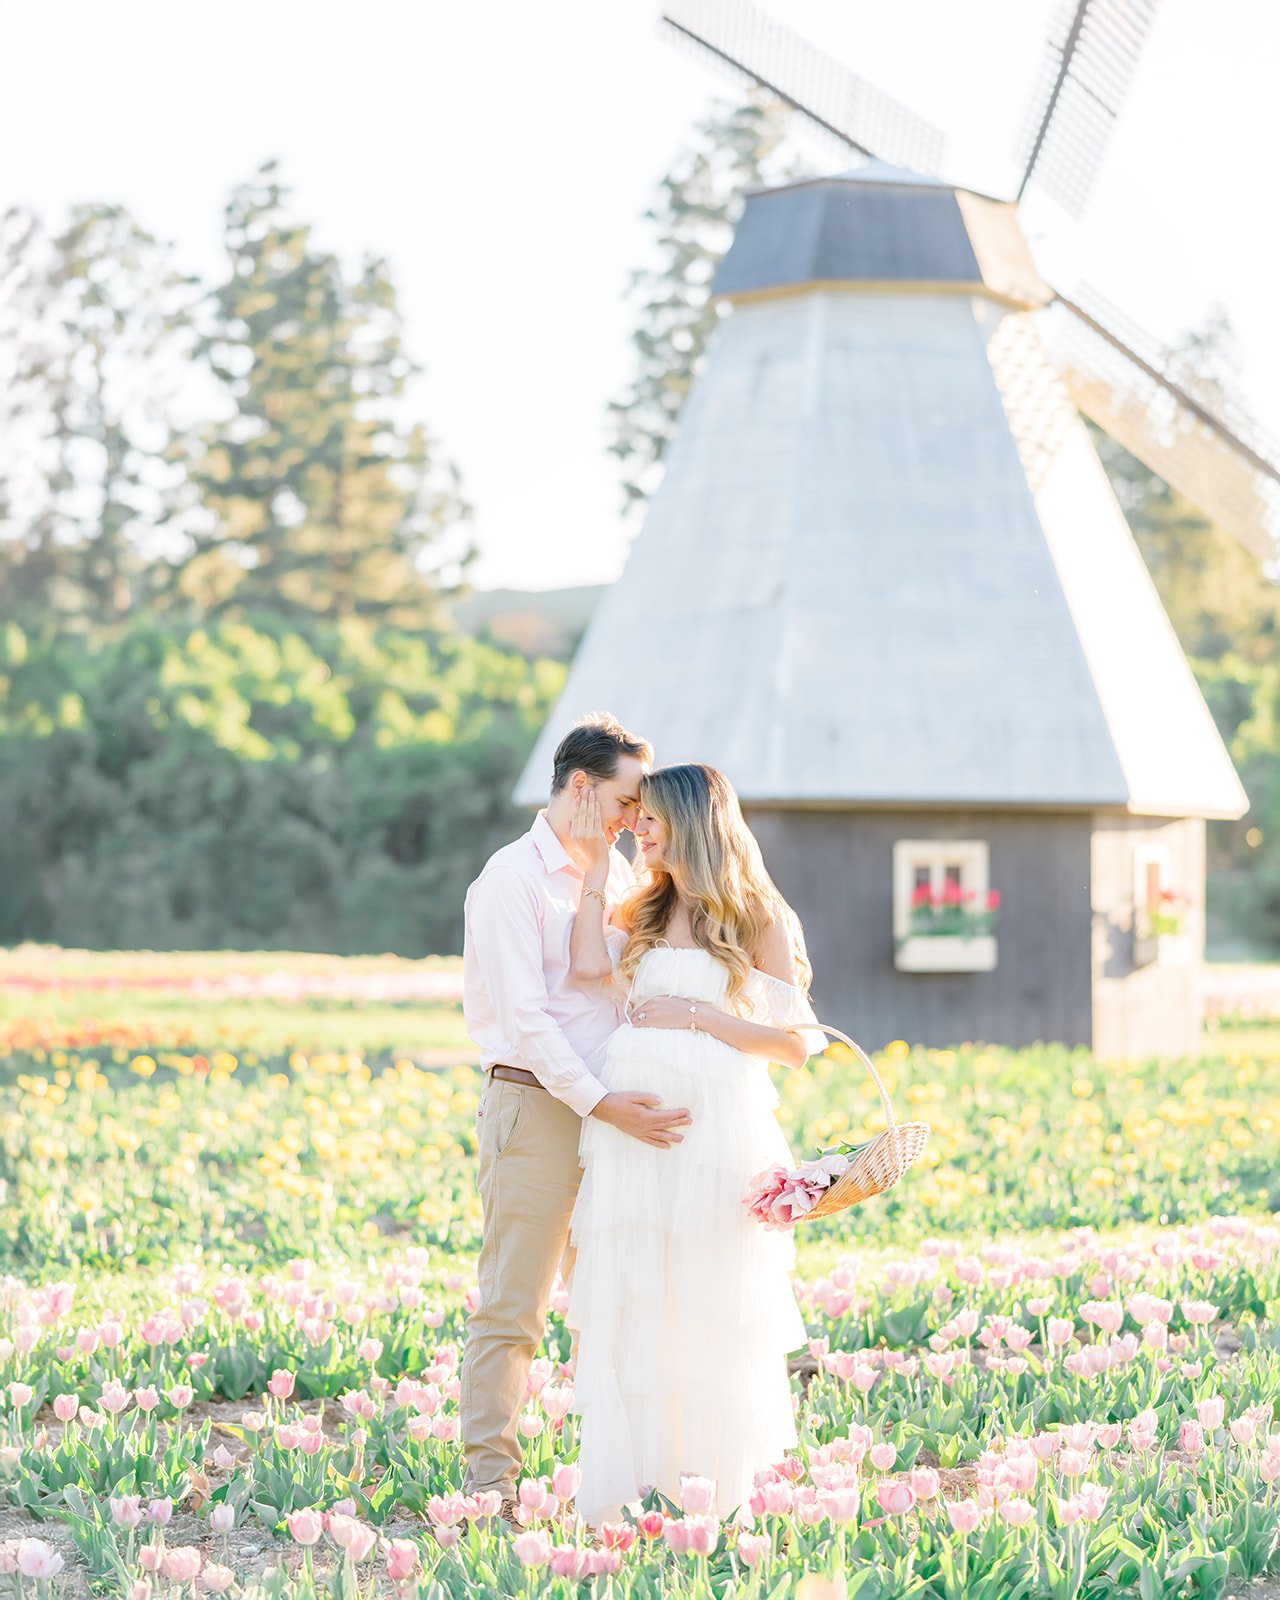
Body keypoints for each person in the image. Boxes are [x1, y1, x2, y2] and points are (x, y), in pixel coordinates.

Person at [565, 762, 827, 1527]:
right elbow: (586, 966)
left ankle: (716, 1491)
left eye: (650, 819)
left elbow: (796, 1044)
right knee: (641, 1296)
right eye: (637, 818)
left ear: (690, 823)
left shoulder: (753, 916)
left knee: (710, 1298)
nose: (638, 829)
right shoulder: (643, 905)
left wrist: (696, 1017)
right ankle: (638, 1486)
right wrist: (590, 877)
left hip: (718, 1131)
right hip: (632, 1142)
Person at [459, 713, 694, 1522]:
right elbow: (527, 1020)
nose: (638, 819)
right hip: (539, 1103)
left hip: (615, 1107)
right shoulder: (511, 880)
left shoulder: (622, 878)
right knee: (514, 1306)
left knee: (619, 1302)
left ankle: (621, 1477)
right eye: (629, 801)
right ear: (582, 788)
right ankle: (488, 1484)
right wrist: (602, 1105)